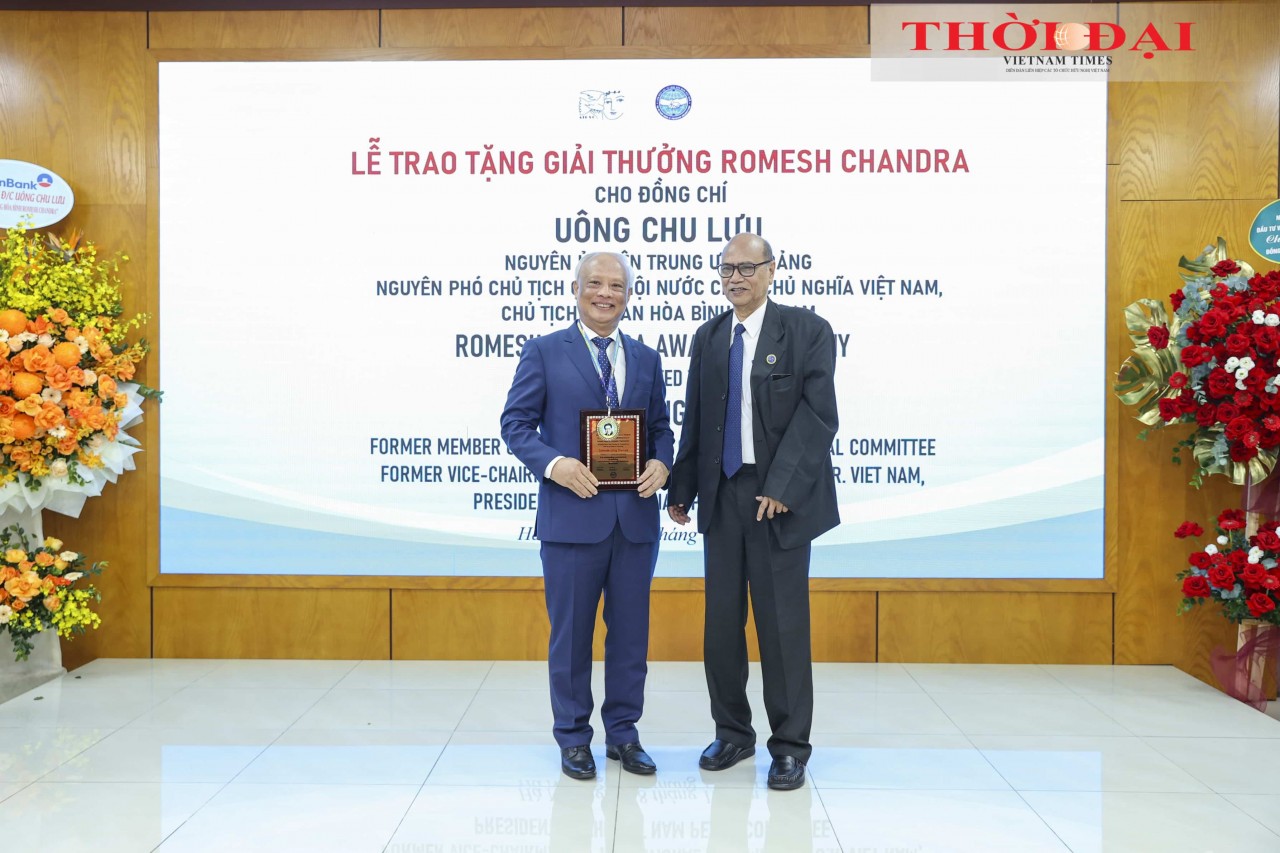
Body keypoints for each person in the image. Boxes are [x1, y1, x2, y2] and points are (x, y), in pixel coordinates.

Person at [667, 232, 839, 791]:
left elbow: (817, 418)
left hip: (779, 504)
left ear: (771, 271)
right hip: (722, 499)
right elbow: (698, 418)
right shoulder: (710, 337)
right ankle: (732, 732)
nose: (735, 277)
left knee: (782, 627)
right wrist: (682, 488)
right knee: (721, 626)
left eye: (746, 267)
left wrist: (782, 485)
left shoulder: (807, 331)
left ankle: (789, 746)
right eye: (726, 269)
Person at [501, 251, 674, 781]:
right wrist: (555, 465)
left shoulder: (646, 358)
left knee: (630, 637)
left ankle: (624, 733)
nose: (605, 293)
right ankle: (573, 737)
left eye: (616, 285)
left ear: (627, 295)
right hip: (571, 521)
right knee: (571, 635)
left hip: (635, 521)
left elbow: (663, 427)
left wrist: (661, 463)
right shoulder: (545, 351)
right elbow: (515, 424)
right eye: (595, 283)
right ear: (576, 289)